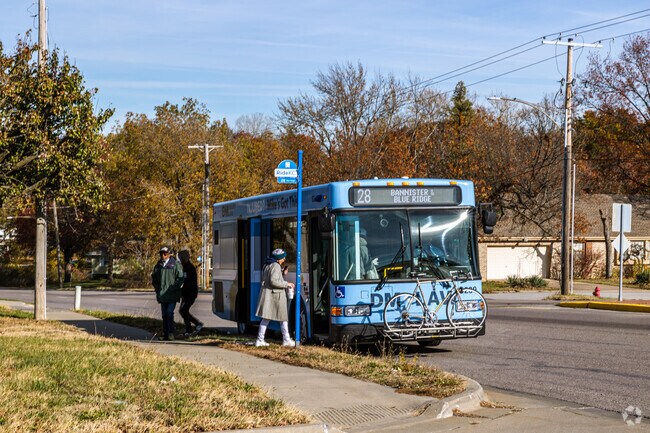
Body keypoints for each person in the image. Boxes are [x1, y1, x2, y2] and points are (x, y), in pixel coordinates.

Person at [255, 248, 296, 347]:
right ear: (278, 259)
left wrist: (282, 273)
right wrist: (287, 284)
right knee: (283, 318)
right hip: (275, 296)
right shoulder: (276, 266)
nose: (284, 259)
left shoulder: (268, 264)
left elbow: (270, 278)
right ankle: (286, 340)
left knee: (267, 318)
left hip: (269, 295)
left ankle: (260, 339)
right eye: (283, 258)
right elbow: (274, 281)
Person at [151, 246, 184, 341]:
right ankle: (165, 333)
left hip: (172, 294)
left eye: (165, 253)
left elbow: (180, 278)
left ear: (169, 254)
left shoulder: (175, 265)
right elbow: (154, 278)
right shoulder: (158, 265)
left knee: (169, 313)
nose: (163, 255)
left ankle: (171, 333)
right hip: (162, 294)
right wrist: (157, 289)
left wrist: (173, 287)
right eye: (161, 253)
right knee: (164, 315)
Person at [178, 249, 204, 337]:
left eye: (181, 258)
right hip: (186, 293)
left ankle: (197, 324)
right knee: (183, 311)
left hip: (190, 294)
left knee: (183, 310)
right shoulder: (185, 267)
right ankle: (188, 329)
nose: (180, 260)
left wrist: (183, 292)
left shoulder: (189, 268)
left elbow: (188, 283)